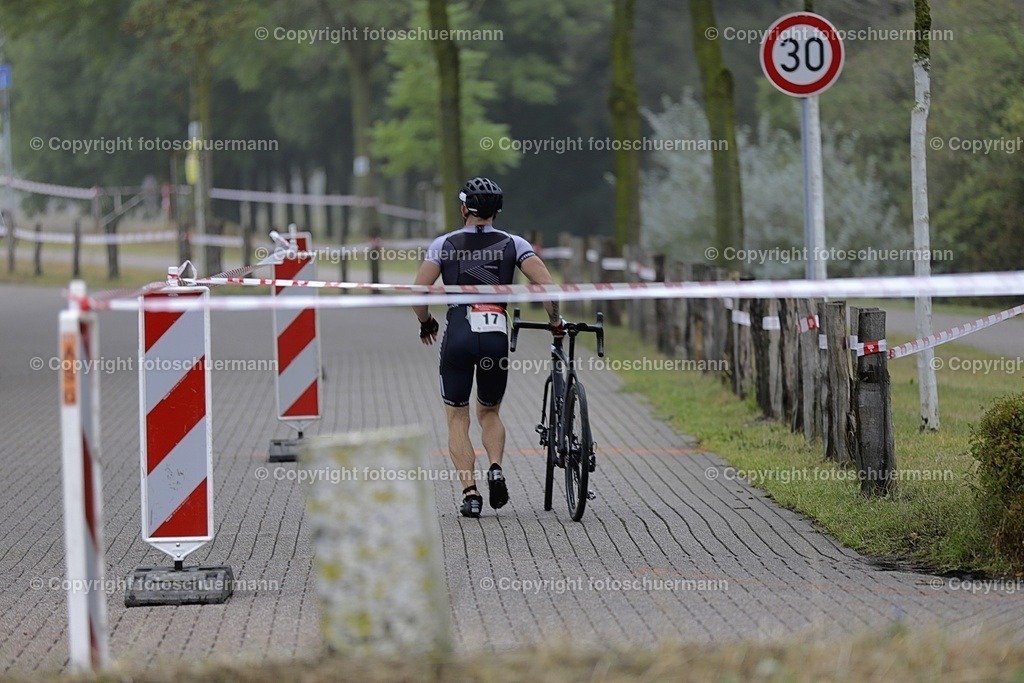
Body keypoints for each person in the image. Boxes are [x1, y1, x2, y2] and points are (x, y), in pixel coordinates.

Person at [413, 177, 562, 518]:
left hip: (459, 330)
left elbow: (417, 293)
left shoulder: (444, 244)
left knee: (457, 416)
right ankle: (495, 467)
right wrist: (555, 321)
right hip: (496, 331)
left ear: (464, 208)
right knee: (490, 412)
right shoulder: (515, 243)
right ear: (497, 210)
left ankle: (471, 494)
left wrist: (426, 323)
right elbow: (548, 287)